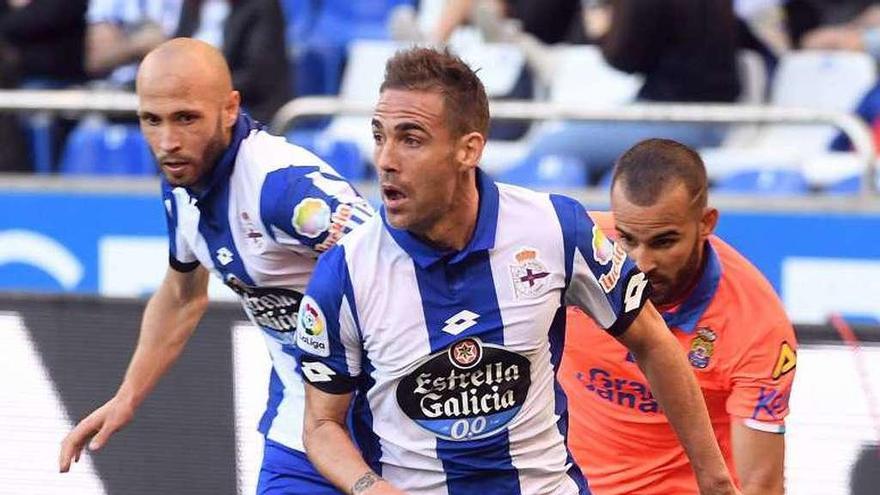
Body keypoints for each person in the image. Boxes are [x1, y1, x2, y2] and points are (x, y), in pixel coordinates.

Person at [292, 46, 741, 495]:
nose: (386, 159)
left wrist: (714, 478)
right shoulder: (346, 272)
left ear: (469, 150)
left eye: (410, 138)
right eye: (379, 136)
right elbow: (321, 424)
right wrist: (370, 487)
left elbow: (653, 341)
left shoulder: (554, 229)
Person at [58, 38, 372, 494]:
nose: (167, 142)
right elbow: (181, 296)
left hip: (391, 418)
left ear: (229, 108)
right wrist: (126, 398)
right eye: (152, 120)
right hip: (301, 425)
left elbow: (396, 266)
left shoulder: (283, 188)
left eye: (186, 118)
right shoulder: (181, 188)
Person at [559, 138, 798, 495]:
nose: (641, 263)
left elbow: (760, 485)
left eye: (664, 242)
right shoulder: (571, 255)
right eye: (627, 239)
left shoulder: (757, 324)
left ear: (706, 223)